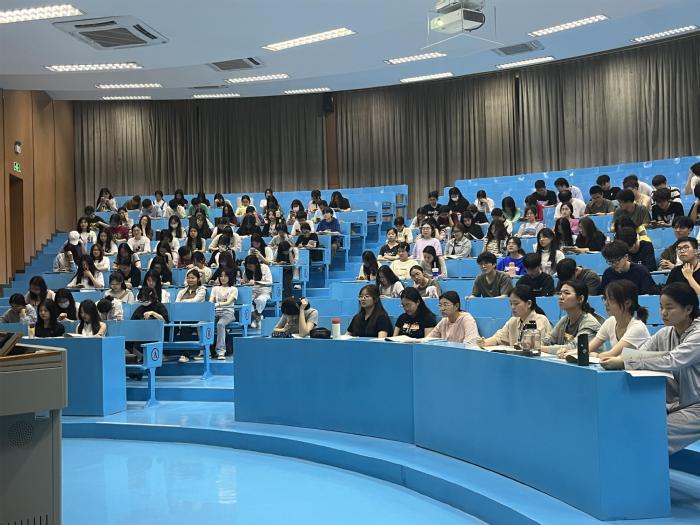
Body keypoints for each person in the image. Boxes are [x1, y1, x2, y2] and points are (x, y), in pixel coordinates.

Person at [600, 282, 700, 454]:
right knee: (629, 423)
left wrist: (625, 362)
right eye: (661, 307)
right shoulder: (664, 333)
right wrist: (620, 359)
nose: (663, 312)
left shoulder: (697, 334)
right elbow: (638, 354)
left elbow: (672, 360)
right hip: (672, 404)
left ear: (688, 309)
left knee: (655, 434)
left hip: (696, 406)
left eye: (669, 307)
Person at [588, 280, 650, 358]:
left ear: (627, 303)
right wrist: (572, 352)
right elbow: (587, 349)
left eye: (611, 299)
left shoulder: (638, 327)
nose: (605, 303)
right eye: (605, 298)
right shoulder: (610, 322)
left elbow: (610, 355)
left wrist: (596, 355)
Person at [476, 285, 552, 347]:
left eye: (516, 303)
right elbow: (498, 338)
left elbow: (538, 346)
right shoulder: (512, 321)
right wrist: (484, 342)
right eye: (511, 304)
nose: (512, 307)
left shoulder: (541, 320)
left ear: (529, 303)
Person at [541, 280, 601, 356]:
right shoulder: (564, 320)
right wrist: (537, 343)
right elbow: (548, 339)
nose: (561, 297)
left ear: (580, 299)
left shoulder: (590, 323)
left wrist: (540, 348)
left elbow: (574, 348)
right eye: (560, 293)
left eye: (566, 293)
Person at [209, 268, 239, 358]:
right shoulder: (215, 288)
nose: (223, 278)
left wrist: (217, 304)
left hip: (228, 313)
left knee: (220, 324)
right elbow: (211, 301)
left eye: (225, 276)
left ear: (230, 277)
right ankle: (205, 351)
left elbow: (228, 302)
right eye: (221, 276)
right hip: (215, 312)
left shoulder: (233, 289)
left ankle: (221, 351)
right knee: (203, 323)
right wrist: (210, 305)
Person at [241, 254, 272, 329]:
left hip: (264, 291)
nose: (249, 268)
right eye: (248, 266)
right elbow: (245, 283)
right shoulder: (246, 271)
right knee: (245, 301)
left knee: (260, 300)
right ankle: (257, 317)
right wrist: (243, 282)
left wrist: (256, 282)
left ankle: (256, 317)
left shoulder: (265, 268)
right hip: (252, 291)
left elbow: (269, 282)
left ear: (256, 264)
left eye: (251, 266)